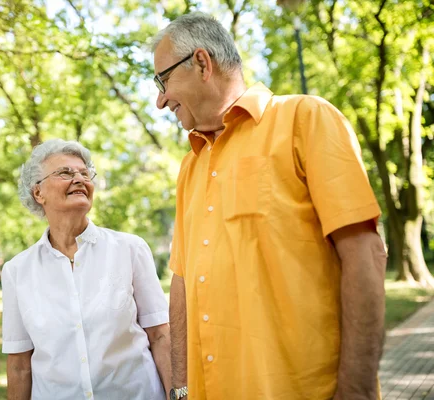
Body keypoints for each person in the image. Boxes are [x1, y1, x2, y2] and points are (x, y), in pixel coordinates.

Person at [152, 12, 387, 400]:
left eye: (163, 80)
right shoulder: (190, 166)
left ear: (201, 63)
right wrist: (180, 387)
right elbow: (181, 283)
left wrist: (357, 391)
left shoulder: (306, 118)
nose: (160, 100)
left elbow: (366, 255)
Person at [1, 139, 171, 400]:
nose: (79, 179)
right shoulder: (17, 271)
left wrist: (178, 393)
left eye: (84, 173)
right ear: (38, 193)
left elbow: (160, 336)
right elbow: (19, 365)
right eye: (65, 173)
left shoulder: (130, 248)